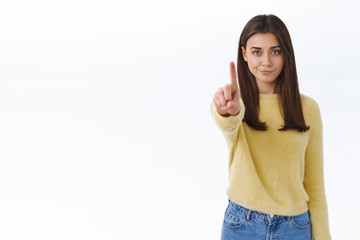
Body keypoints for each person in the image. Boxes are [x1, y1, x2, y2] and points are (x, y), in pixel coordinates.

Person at [210, 14, 331, 240]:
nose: (266, 61)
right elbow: (227, 123)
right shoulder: (235, 103)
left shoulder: (308, 109)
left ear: (286, 54)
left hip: (294, 227)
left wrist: (324, 237)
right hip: (242, 225)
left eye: (275, 51)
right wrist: (229, 110)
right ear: (244, 54)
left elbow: (314, 184)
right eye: (257, 52)